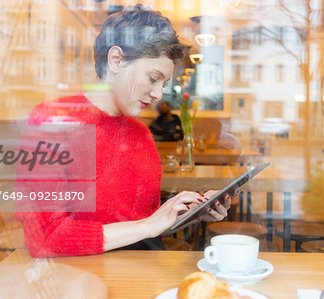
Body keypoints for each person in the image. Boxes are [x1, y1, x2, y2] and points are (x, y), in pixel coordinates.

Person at [15, 5, 237, 257]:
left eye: (163, 84)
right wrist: (149, 225)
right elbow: (45, 238)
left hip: (139, 273)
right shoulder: (52, 121)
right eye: (153, 78)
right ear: (116, 60)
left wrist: (189, 213)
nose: (157, 95)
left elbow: (143, 226)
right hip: (84, 279)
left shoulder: (141, 133)